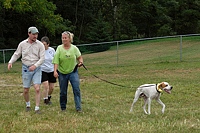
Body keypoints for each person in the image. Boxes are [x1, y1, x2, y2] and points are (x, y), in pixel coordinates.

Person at [8, 26, 45, 114]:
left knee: (37, 88)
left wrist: (35, 66)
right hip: (26, 68)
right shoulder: (22, 44)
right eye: (33, 34)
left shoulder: (40, 45)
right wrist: (10, 62)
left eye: (36, 34)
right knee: (26, 90)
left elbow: (42, 58)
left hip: (36, 68)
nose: (35, 36)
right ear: (29, 34)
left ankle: (37, 108)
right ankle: (28, 105)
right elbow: (17, 54)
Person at [52, 31, 83, 112]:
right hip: (62, 72)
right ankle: (63, 107)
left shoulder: (74, 48)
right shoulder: (59, 48)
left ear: (70, 39)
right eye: (63, 38)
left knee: (76, 89)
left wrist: (80, 62)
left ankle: (78, 108)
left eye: (65, 38)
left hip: (73, 71)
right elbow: (56, 61)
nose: (64, 39)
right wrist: (55, 71)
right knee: (63, 91)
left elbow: (80, 57)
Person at [40, 36, 56, 105]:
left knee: (51, 87)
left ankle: (48, 97)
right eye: (42, 44)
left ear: (48, 44)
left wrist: (56, 70)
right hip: (43, 70)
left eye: (44, 44)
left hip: (51, 70)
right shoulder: (39, 51)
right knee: (46, 85)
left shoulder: (52, 50)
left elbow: (55, 60)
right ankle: (45, 99)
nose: (43, 46)